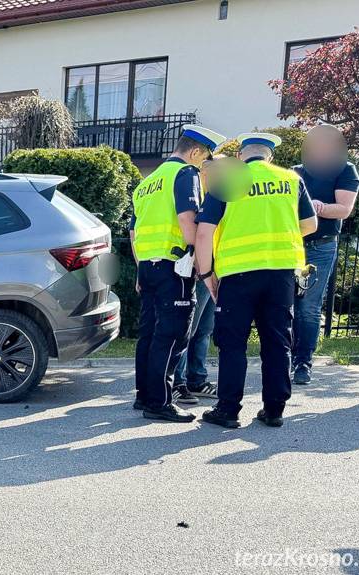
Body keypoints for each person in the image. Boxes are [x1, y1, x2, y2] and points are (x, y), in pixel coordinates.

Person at [196, 133, 318, 429]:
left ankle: (228, 410)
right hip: (281, 273)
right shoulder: (290, 180)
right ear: (270, 157)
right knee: (277, 341)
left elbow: (204, 232)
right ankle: (274, 409)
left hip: (237, 274)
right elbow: (310, 224)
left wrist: (206, 274)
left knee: (233, 343)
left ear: (240, 156)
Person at [130, 124, 226, 423]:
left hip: (147, 266)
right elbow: (188, 223)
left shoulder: (148, 181)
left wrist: (140, 269)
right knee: (172, 335)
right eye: (205, 157)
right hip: (174, 267)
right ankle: (160, 402)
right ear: (196, 151)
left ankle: (144, 395)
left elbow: (134, 231)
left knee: (148, 334)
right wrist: (203, 266)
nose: (205, 165)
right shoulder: (185, 174)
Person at [291, 125, 359, 385]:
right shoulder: (296, 172)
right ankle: (286, 356)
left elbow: (343, 209)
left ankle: (303, 363)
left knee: (308, 307)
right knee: (288, 304)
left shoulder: (345, 170)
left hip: (321, 246)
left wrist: (318, 208)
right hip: (293, 245)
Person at [172, 156, 228, 402]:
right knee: (190, 328)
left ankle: (197, 378)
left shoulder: (222, 195)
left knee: (204, 329)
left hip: (216, 268)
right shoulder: (200, 195)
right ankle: (180, 380)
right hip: (200, 270)